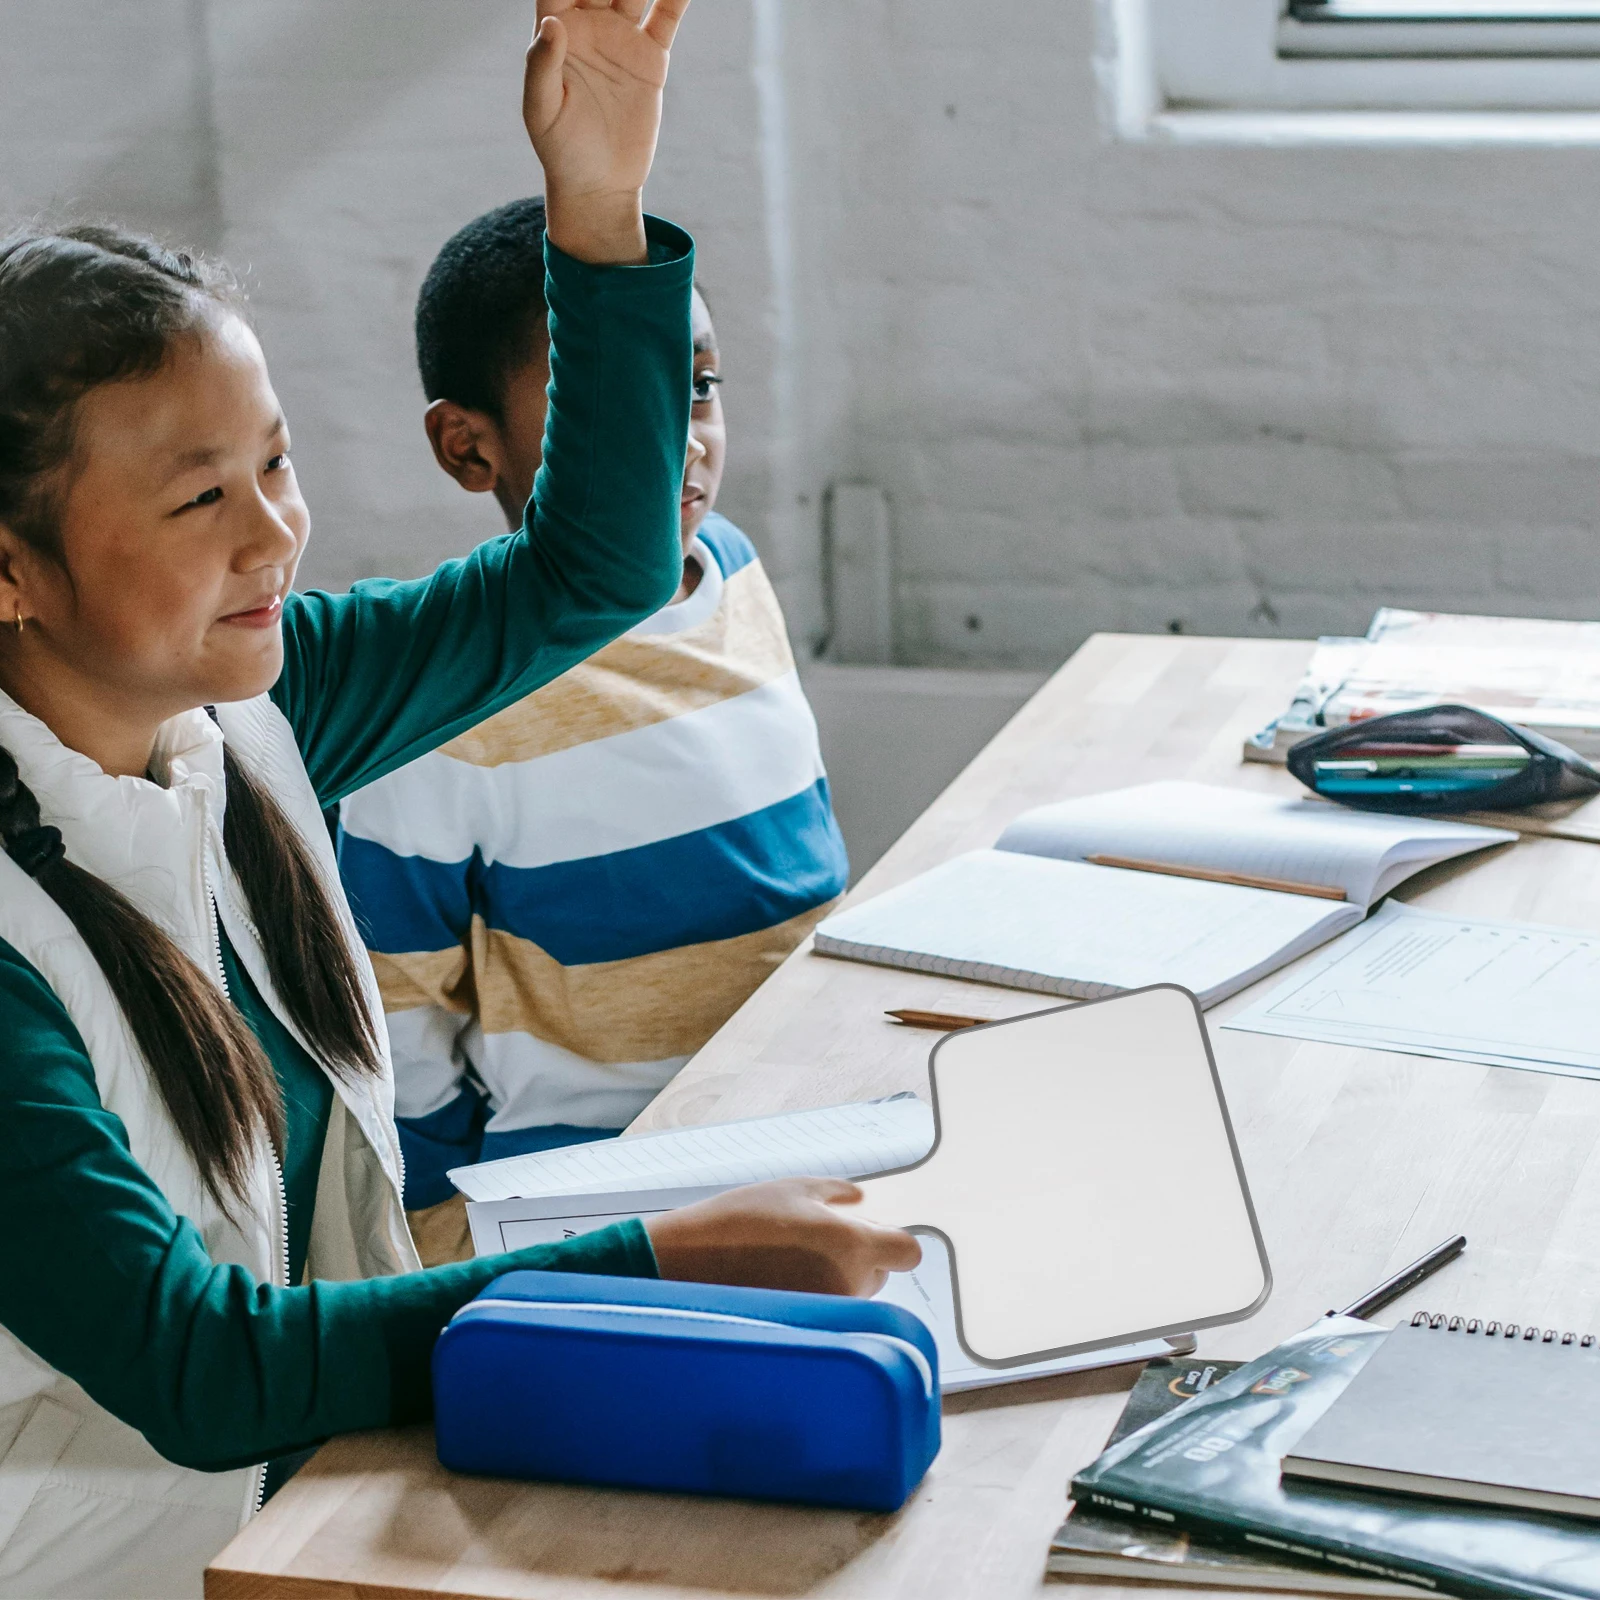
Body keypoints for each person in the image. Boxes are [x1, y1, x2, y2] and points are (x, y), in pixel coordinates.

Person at [0, 5, 916, 1595]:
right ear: (12, 568)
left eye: (277, 464)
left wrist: (597, 204)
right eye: (200, 496)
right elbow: (199, 1369)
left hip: (347, 1482)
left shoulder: (259, 711)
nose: (276, 537)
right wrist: (658, 1261)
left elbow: (598, 571)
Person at [339, 197, 849, 1262]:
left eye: (697, 384)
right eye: (598, 401)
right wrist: (453, 1236)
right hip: (614, 1196)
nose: (677, 437)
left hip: (805, 1115)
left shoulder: (736, 569)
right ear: (470, 448)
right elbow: (395, 1017)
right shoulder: (446, 698)